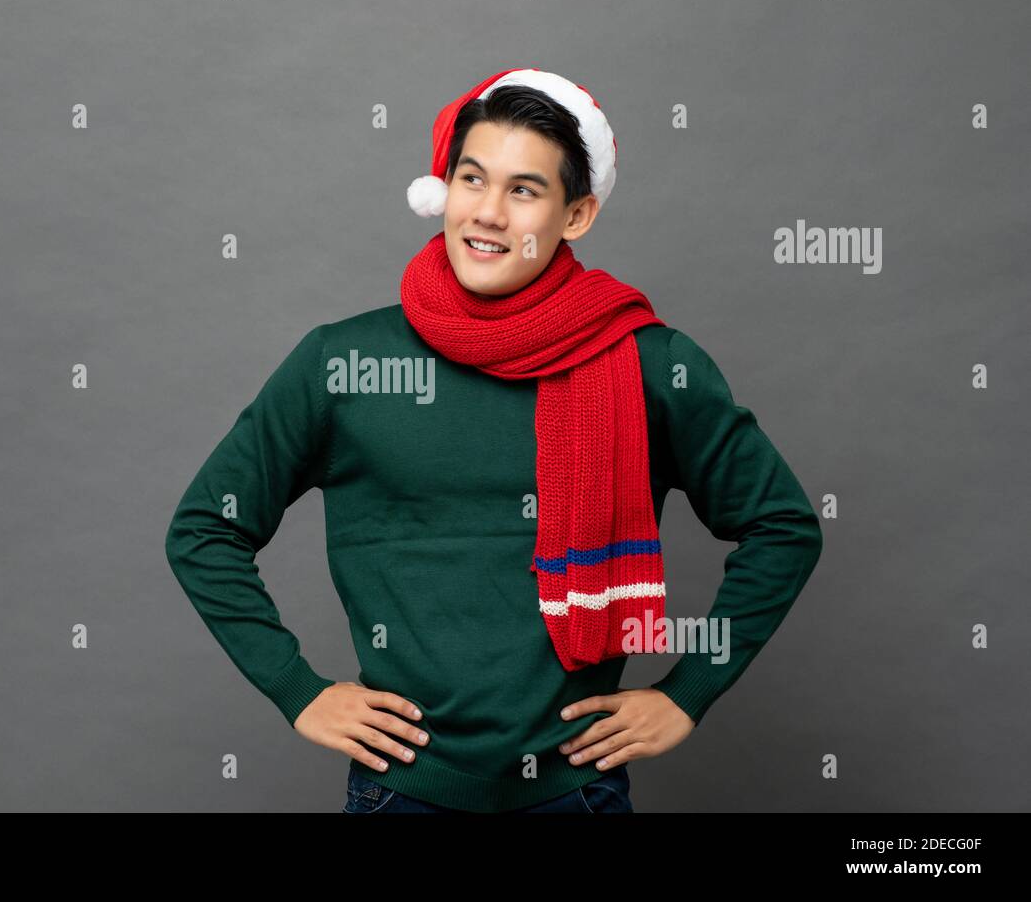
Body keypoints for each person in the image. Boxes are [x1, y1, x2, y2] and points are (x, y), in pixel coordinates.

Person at [166, 67, 823, 813]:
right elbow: (205, 529)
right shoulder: (343, 362)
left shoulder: (648, 362)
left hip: (577, 793)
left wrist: (688, 691)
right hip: (401, 792)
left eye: (523, 190)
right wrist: (298, 690)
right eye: (471, 179)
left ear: (575, 216)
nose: (487, 213)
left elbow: (783, 527)